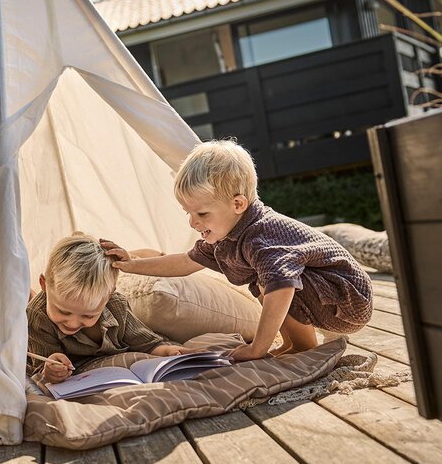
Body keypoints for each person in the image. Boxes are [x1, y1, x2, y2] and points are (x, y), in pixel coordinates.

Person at [101, 139, 373, 362]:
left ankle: (303, 346)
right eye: (189, 213)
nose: (193, 222)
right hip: (328, 296)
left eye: (202, 213)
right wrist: (131, 263)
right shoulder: (226, 235)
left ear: (238, 204)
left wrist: (258, 348)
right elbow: (184, 262)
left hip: (348, 299)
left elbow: (282, 290)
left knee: (273, 282)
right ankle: (294, 343)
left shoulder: (262, 236)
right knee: (263, 281)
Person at [27, 234, 189, 383]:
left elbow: (148, 343)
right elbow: (41, 367)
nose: (73, 322)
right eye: (63, 311)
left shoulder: (116, 305)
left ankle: (146, 254)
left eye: (88, 315)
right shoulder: (37, 315)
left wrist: (171, 351)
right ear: (44, 285)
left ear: (109, 296)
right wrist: (51, 369)